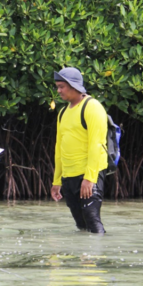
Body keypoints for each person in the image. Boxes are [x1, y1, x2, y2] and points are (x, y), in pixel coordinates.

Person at [50, 67, 108, 234]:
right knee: (80, 224)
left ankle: (95, 257)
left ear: (74, 86)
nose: (58, 91)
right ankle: (82, 257)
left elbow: (96, 144)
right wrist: (57, 181)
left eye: (62, 86)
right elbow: (58, 149)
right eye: (57, 87)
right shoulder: (62, 113)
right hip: (69, 176)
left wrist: (90, 178)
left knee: (92, 220)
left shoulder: (92, 107)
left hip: (88, 175)